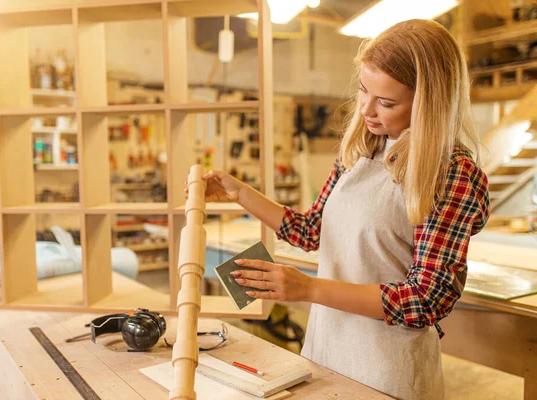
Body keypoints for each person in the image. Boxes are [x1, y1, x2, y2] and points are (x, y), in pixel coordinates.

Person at [190, 19, 490, 400]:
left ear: (430, 102)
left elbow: (424, 299)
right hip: (326, 352)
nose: (366, 109)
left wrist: (308, 287)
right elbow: (312, 230)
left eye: (387, 102)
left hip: (386, 370)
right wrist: (240, 193)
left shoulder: (452, 173)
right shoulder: (362, 149)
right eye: (364, 90)